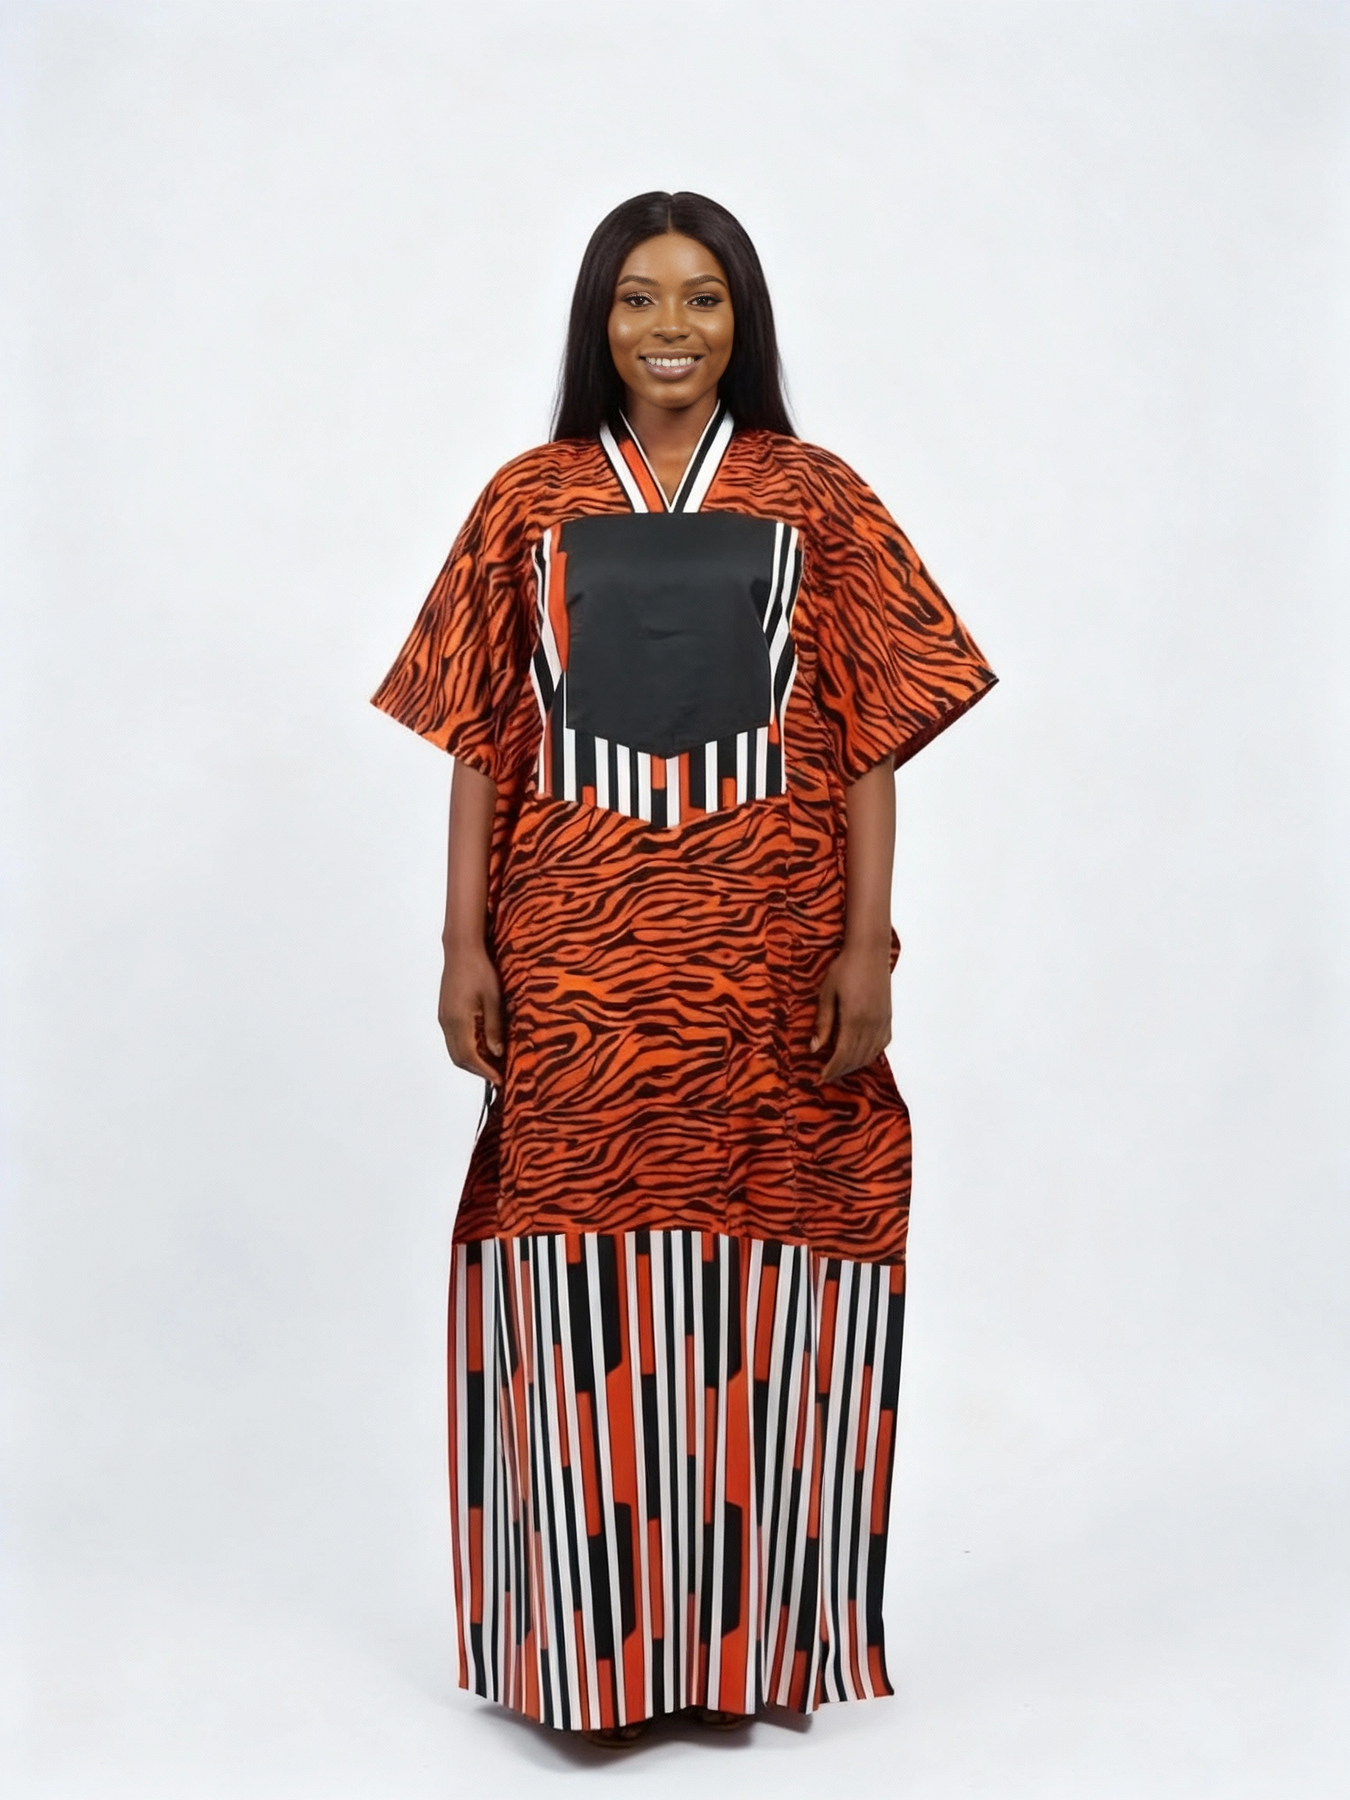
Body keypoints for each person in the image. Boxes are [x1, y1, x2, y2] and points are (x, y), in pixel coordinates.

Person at [372, 191, 996, 1748]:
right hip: (576, 957)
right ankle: (582, 1664)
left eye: (702, 297)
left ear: (741, 321)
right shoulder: (528, 498)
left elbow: (867, 731)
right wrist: (462, 942)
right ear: (598, 321)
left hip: (768, 958)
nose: (669, 326)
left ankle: (739, 1651)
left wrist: (867, 944)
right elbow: (478, 736)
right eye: (638, 297)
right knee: (569, 1267)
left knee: (770, 1249)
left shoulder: (814, 494)